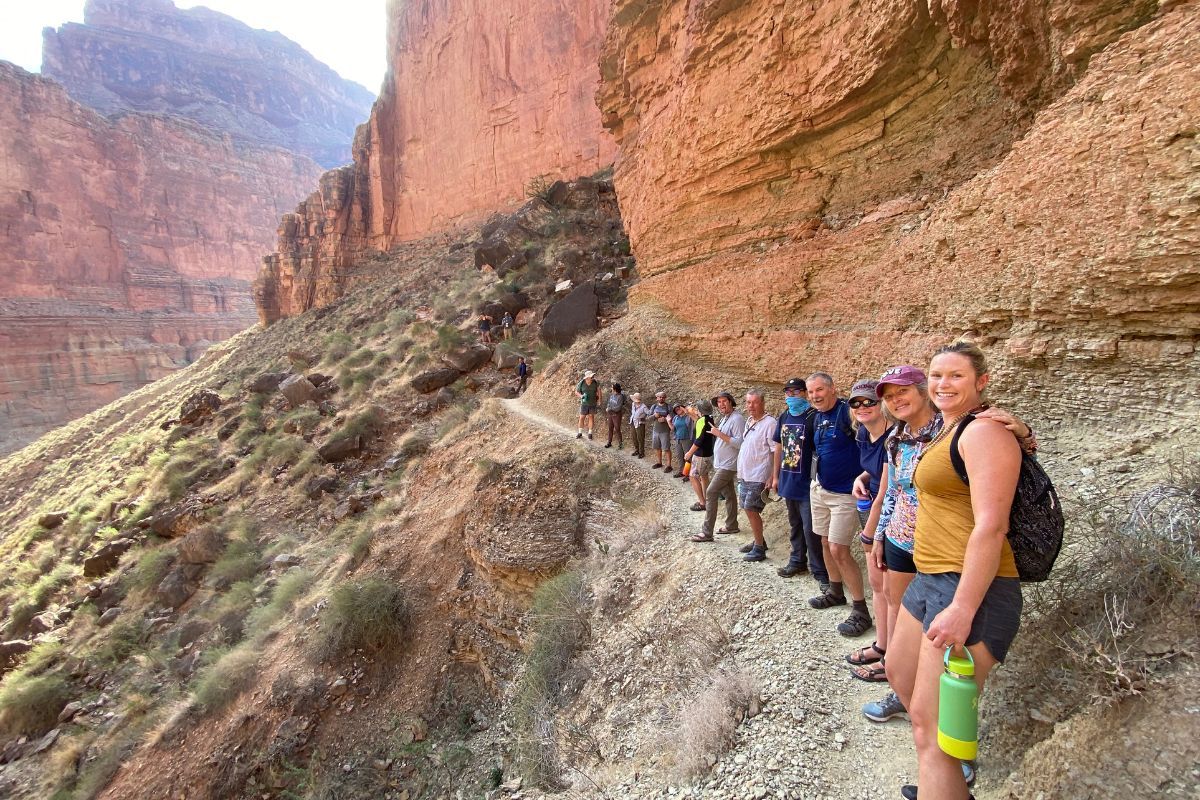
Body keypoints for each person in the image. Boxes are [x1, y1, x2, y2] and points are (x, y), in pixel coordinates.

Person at [886, 341, 1026, 800]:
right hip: (930, 579)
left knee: (936, 732)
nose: (943, 384)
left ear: (981, 382)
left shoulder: (983, 432)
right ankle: (941, 777)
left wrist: (964, 607)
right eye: (937, 376)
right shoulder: (947, 430)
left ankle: (944, 778)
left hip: (970, 588)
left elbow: (992, 525)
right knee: (898, 671)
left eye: (956, 376)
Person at [806, 372, 873, 638]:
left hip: (845, 493)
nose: (815, 396)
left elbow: (871, 437)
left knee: (839, 549)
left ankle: (860, 609)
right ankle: (835, 591)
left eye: (819, 390)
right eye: (811, 392)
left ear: (833, 389)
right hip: (820, 487)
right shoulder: (817, 417)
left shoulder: (848, 413)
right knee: (823, 542)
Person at [845, 379, 891, 681]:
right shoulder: (865, 433)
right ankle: (883, 645)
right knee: (878, 586)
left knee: (890, 590)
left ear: (881, 404)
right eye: (856, 403)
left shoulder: (893, 438)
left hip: (888, 518)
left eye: (869, 402)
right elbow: (875, 471)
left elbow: (888, 489)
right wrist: (861, 477)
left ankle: (893, 660)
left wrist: (869, 534)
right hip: (872, 507)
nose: (862, 408)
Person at [771, 378, 828, 588]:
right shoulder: (784, 416)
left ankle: (820, 571)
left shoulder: (814, 416)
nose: (791, 395)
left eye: (796, 391)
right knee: (795, 525)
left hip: (808, 483)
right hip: (788, 480)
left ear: (805, 393)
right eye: (788, 391)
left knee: (811, 529)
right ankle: (797, 561)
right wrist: (775, 476)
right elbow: (778, 446)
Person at [691, 391, 744, 542]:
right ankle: (732, 524)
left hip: (729, 464)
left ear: (731, 402)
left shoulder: (737, 419)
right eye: (719, 402)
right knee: (729, 494)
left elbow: (740, 443)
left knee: (711, 492)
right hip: (722, 463)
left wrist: (718, 434)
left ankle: (707, 532)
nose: (721, 404)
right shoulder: (725, 418)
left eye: (724, 401)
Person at [738, 389, 778, 562]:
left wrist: (772, 475)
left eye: (754, 402)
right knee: (747, 508)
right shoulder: (749, 421)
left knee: (752, 509)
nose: (751, 406)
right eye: (748, 402)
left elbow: (776, 450)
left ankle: (759, 548)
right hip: (745, 473)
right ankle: (758, 541)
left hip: (759, 474)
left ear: (762, 403)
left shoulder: (770, 423)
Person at [682, 400, 716, 511]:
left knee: (693, 476)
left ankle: (702, 503)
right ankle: (706, 500)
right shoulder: (709, 419)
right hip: (708, 453)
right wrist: (689, 413)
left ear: (700, 410)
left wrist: (689, 453)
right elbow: (698, 421)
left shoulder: (702, 420)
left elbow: (699, 440)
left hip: (700, 455)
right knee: (704, 476)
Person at [649, 392, 674, 471]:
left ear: (665, 398)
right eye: (660, 397)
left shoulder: (668, 407)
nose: (661, 398)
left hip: (665, 431)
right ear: (657, 398)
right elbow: (648, 418)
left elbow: (673, 417)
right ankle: (659, 462)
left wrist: (666, 420)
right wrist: (654, 416)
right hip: (656, 430)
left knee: (666, 448)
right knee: (657, 447)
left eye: (663, 397)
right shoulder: (654, 406)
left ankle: (669, 465)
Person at [575, 370, 600, 440]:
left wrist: (600, 400)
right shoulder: (581, 383)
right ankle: (580, 432)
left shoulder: (595, 382)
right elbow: (576, 392)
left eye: (593, 376)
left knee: (591, 417)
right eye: (591, 376)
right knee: (582, 417)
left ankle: (590, 433)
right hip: (584, 403)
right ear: (587, 378)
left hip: (593, 403)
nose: (593, 377)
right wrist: (581, 396)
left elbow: (599, 391)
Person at [671, 404, 692, 479]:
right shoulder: (676, 418)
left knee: (687, 457)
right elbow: (673, 428)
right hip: (678, 439)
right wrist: (668, 422)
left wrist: (686, 411)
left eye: (678, 408)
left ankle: (688, 474)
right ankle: (681, 471)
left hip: (687, 438)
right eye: (676, 409)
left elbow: (693, 421)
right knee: (679, 456)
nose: (678, 410)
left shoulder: (688, 417)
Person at [604, 383, 627, 449]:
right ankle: (609, 442)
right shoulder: (612, 395)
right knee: (610, 428)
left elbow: (618, 408)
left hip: (617, 415)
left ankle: (620, 444)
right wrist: (608, 407)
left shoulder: (620, 397)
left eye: (612, 387)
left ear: (615, 389)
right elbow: (609, 403)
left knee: (617, 429)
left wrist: (610, 409)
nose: (611, 388)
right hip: (610, 414)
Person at [629, 392, 651, 458]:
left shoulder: (643, 407)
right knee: (634, 437)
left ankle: (641, 452)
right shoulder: (633, 404)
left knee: (640, 438)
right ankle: (637, 450)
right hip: (633, 422)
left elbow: (649, 413)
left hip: (640, 423)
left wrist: (645, 419)